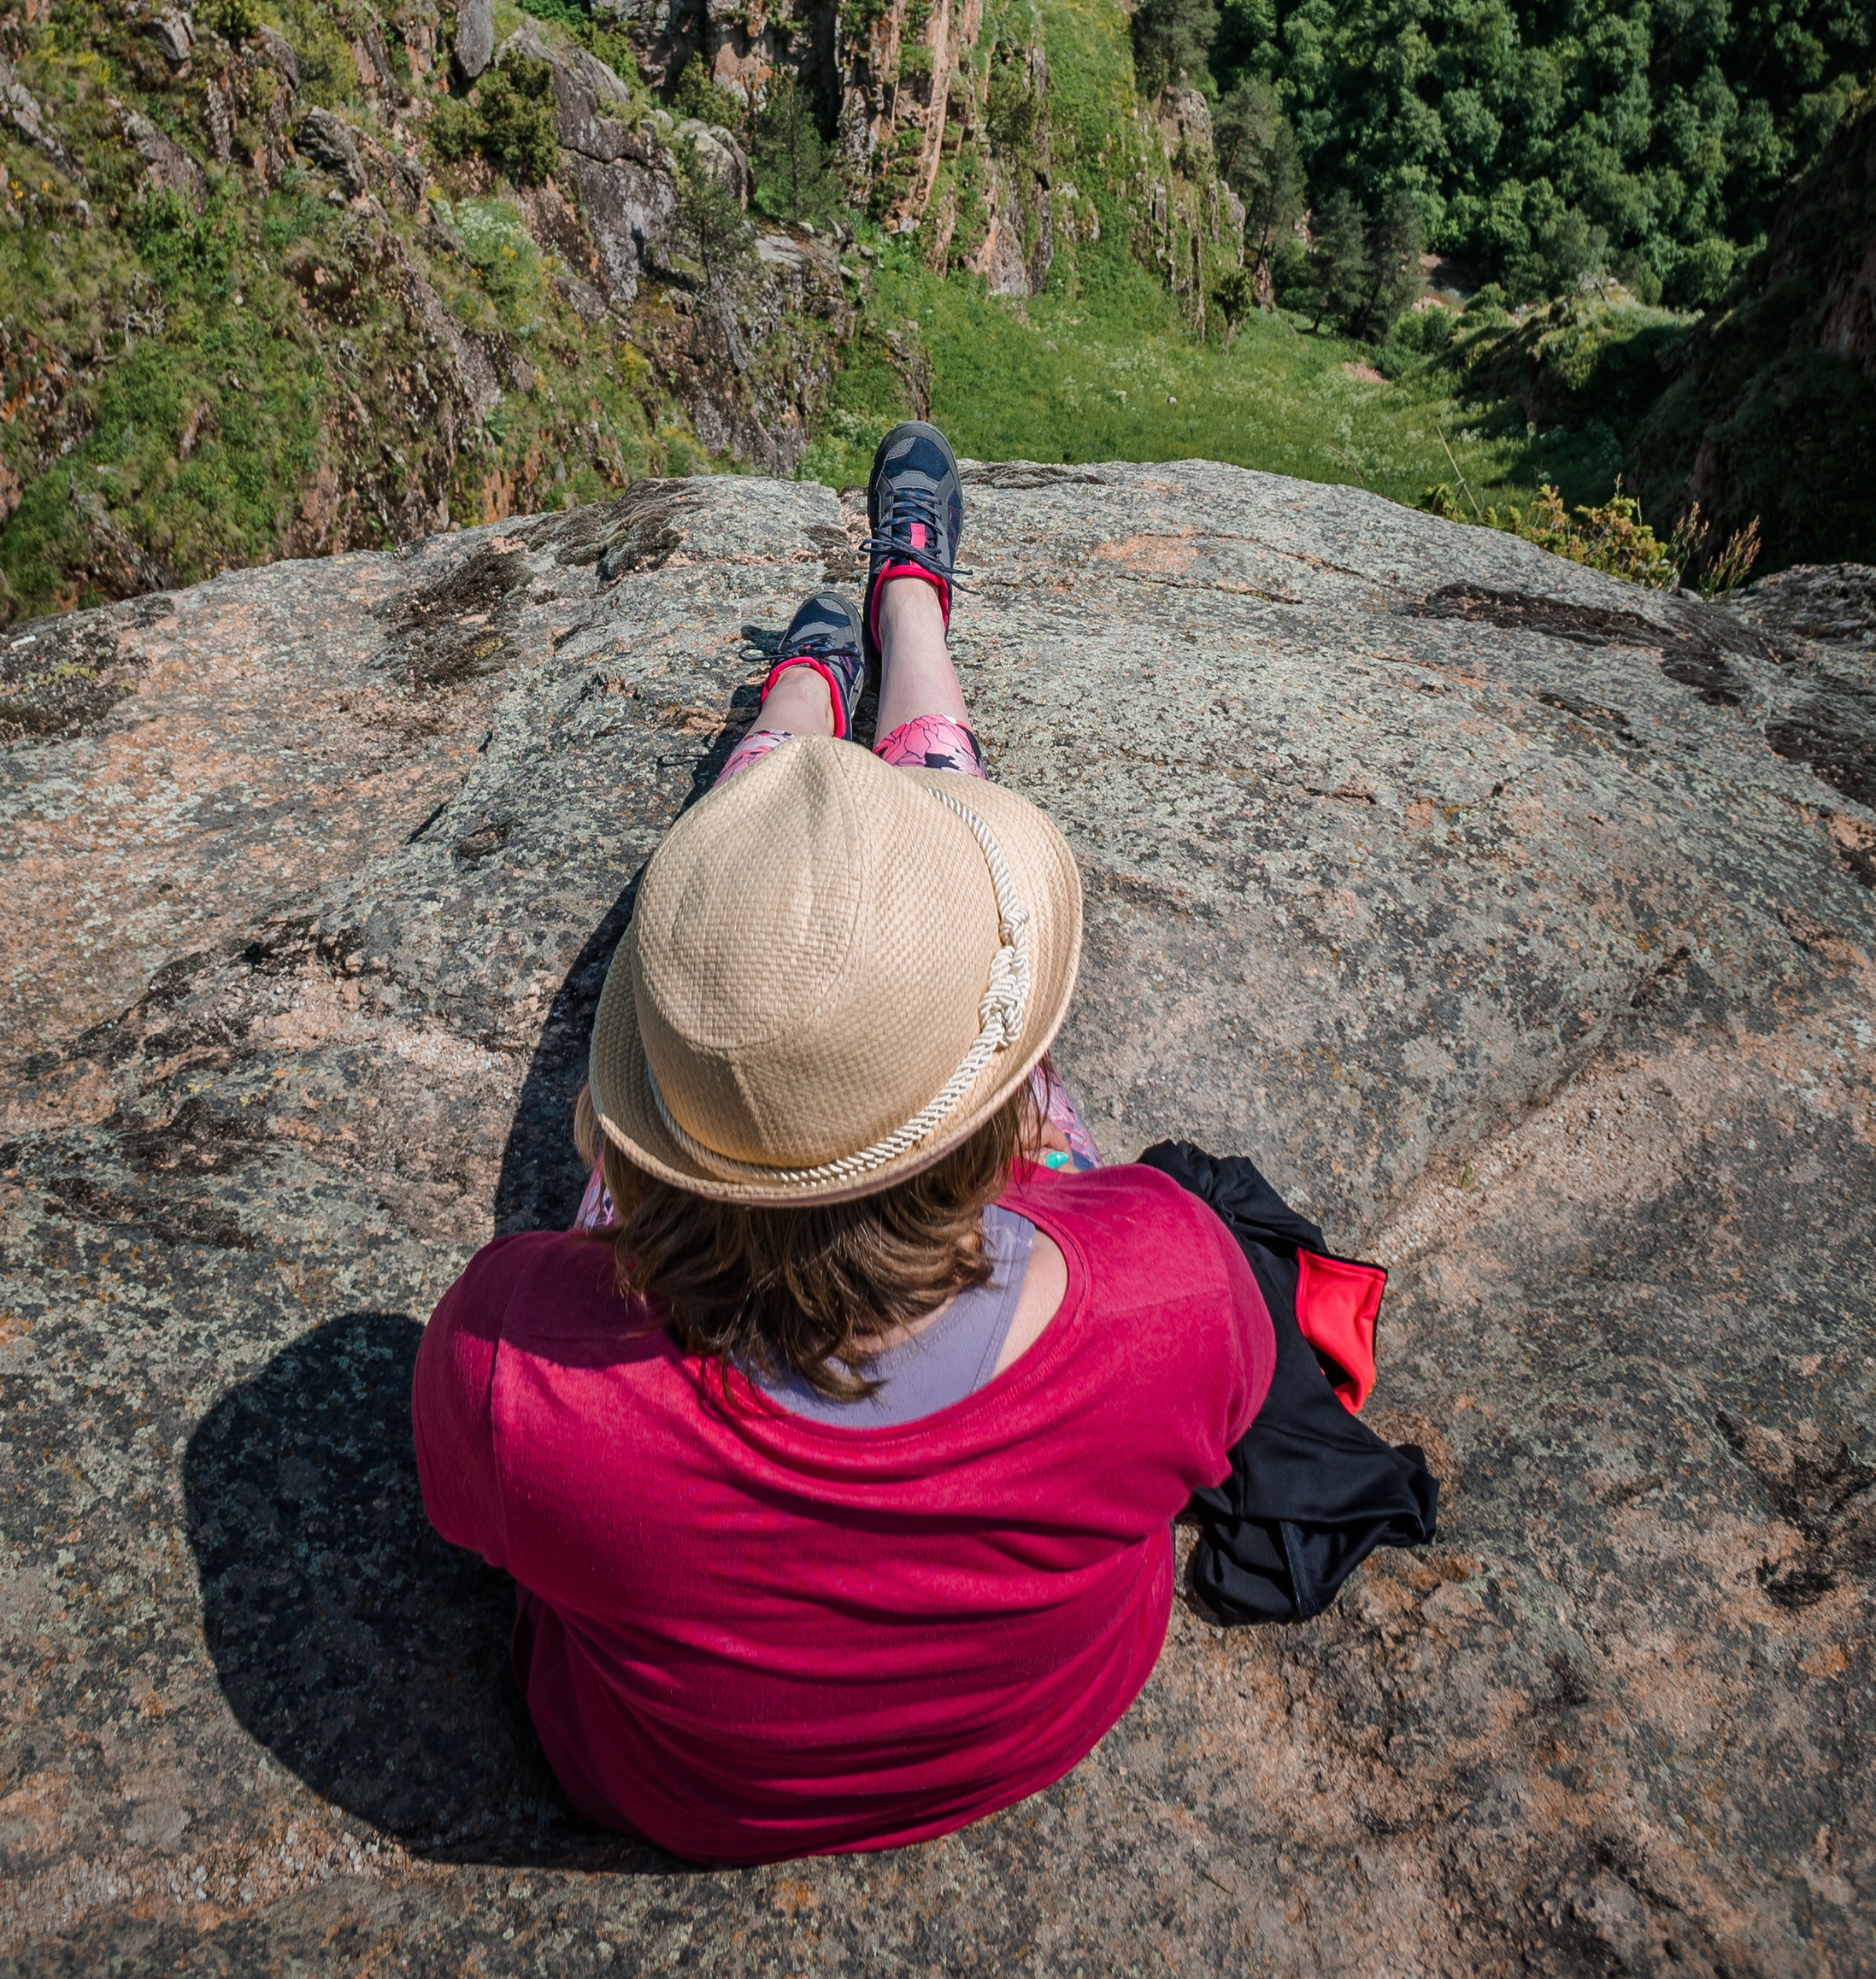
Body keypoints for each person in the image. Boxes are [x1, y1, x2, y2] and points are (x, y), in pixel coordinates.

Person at [413, 424, 1275, 1863]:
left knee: (744, 945)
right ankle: (902, 617)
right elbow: (1230, 1413)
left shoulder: (523, 1373)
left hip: (678, 1793)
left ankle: (798, 700)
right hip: (1046, 1722)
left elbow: (472, 1525)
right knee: (905, 936)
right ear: (997, 1124)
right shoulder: (1170, 1288)